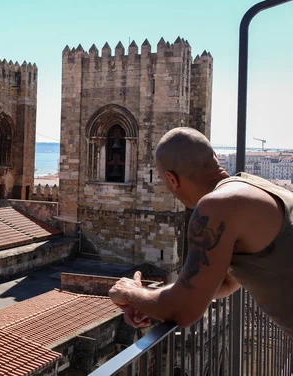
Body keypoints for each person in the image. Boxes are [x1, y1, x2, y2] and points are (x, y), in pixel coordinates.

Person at [109, 127, 293, 337]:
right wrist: (148, 298)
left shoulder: (216, 206)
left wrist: (129, 293)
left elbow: (184, 310)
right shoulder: (254, 187)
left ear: (172, 180)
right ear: (215, 158)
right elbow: (222, 283)